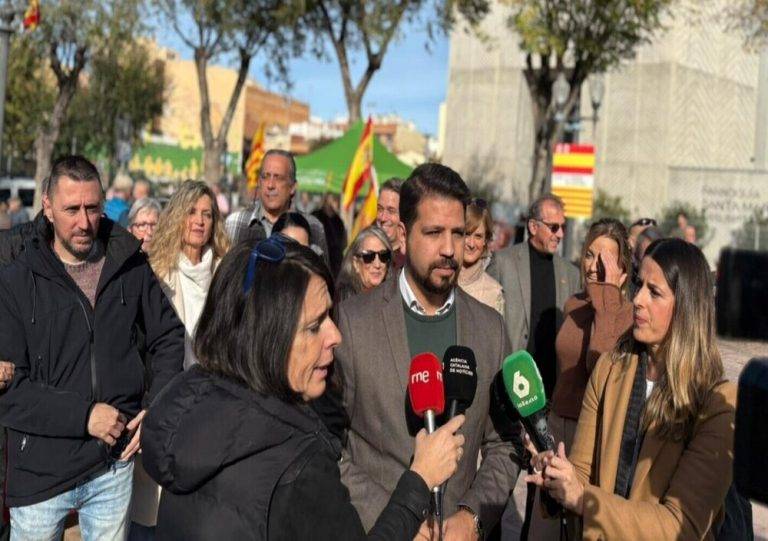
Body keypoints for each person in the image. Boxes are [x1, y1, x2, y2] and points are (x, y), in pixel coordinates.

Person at [140, 239, 467, 540]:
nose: (335, 336)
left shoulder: (193, 405)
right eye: (314, 326)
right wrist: (419, 480)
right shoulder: (298, 467)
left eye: (329, 316)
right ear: (266, 336)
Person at [0, 155, 184, 541]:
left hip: (112, 469)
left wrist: (155, 407)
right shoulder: (17, 280)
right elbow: (12, 391)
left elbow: (168, 336)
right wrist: (84, 416)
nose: (84, 222)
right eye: (72, 209)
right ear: (47, 207)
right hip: (39, 473)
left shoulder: (129, 264)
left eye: (93, 208)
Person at [335, 163, 521, 539]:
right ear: (403, 235)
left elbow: (505, 443)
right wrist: (394, 516)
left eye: (458, 233)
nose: (449, 249)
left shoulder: (491, 329)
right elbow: (329, 446)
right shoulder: (352, 323)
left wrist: (472, 517)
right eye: (434, 233)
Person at [525, 238, 736, 540]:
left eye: (655, 292)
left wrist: (584, 499)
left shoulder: (717, 403)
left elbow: (682, 526)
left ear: (687, 307)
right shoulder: (610, 369)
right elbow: (581, 476)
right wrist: (558, 478)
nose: (637, 299)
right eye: (639, 285)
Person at [526, 219, 635, 540]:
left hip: (591, 437)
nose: (593, 266)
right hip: (555, 429)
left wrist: (608, 296)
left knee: (578, 528)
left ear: (623, 271)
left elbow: (599, 362)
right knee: (542, 528)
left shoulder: (627, 315)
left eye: (605, 259)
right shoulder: (573, 304)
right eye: (589, 255)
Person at [487, 194, 580, 398]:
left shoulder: (571, 274)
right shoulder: (503, 262)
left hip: (551, 388)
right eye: (553, 227)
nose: (560, 234)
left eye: (563, 227)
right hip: (511, 380)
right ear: (533, 227)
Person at [149, 180, 229, 371]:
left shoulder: (224, 272)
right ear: (177, 217)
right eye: (191, 212)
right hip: (172, 378)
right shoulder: (158, 271)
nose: (199, 221)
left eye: (206, 215)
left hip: (216, 378)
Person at [225, 149, 328, 257]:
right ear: (259, 182)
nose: (270, 185)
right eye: (265, 177)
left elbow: (321, 268)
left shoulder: (313, 227)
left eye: (278, 178)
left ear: (293, 187)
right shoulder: (235, 224)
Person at [458, 198, 504, 315]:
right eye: (467, 234)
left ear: (485, 240)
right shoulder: (438, 280)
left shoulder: (494, 293)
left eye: (478, 236)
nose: (471, 244)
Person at [335, 225, 392, 303]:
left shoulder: (395, 294)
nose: (377, 265)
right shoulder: (344, 299)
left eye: (383, 256)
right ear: (356, 263)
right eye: (369, 256)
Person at [312, 193, 347, 278]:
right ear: (326, 199)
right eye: (333, 198)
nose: (336, 202)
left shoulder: (338, 221)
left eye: (337, 199)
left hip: (335, 268)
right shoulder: (315, 216)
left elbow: (343, 244)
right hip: (317, 265)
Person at [376, 178, 406, 269]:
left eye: (391, 211)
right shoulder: (366, 255)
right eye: (380, 209)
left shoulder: (411, 263)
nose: (383, 218)